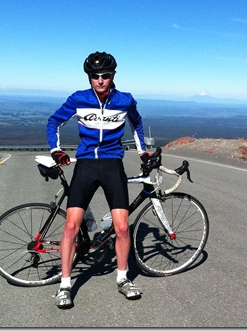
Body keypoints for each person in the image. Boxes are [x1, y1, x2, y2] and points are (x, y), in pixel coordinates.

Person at [47, 51, 151, 309]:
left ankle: (123, 279)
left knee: (123, 227)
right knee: (71, 226)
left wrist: (143, 151)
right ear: (89, 77)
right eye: (95, 76)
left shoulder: (125, 100)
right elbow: (54, 121)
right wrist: (55, 150)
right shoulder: (79, 98)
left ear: (113, 75)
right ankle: (65, 285)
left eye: (105, 75)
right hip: (85, 163)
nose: (100, 80)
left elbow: (137, 124)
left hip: (112, 163)